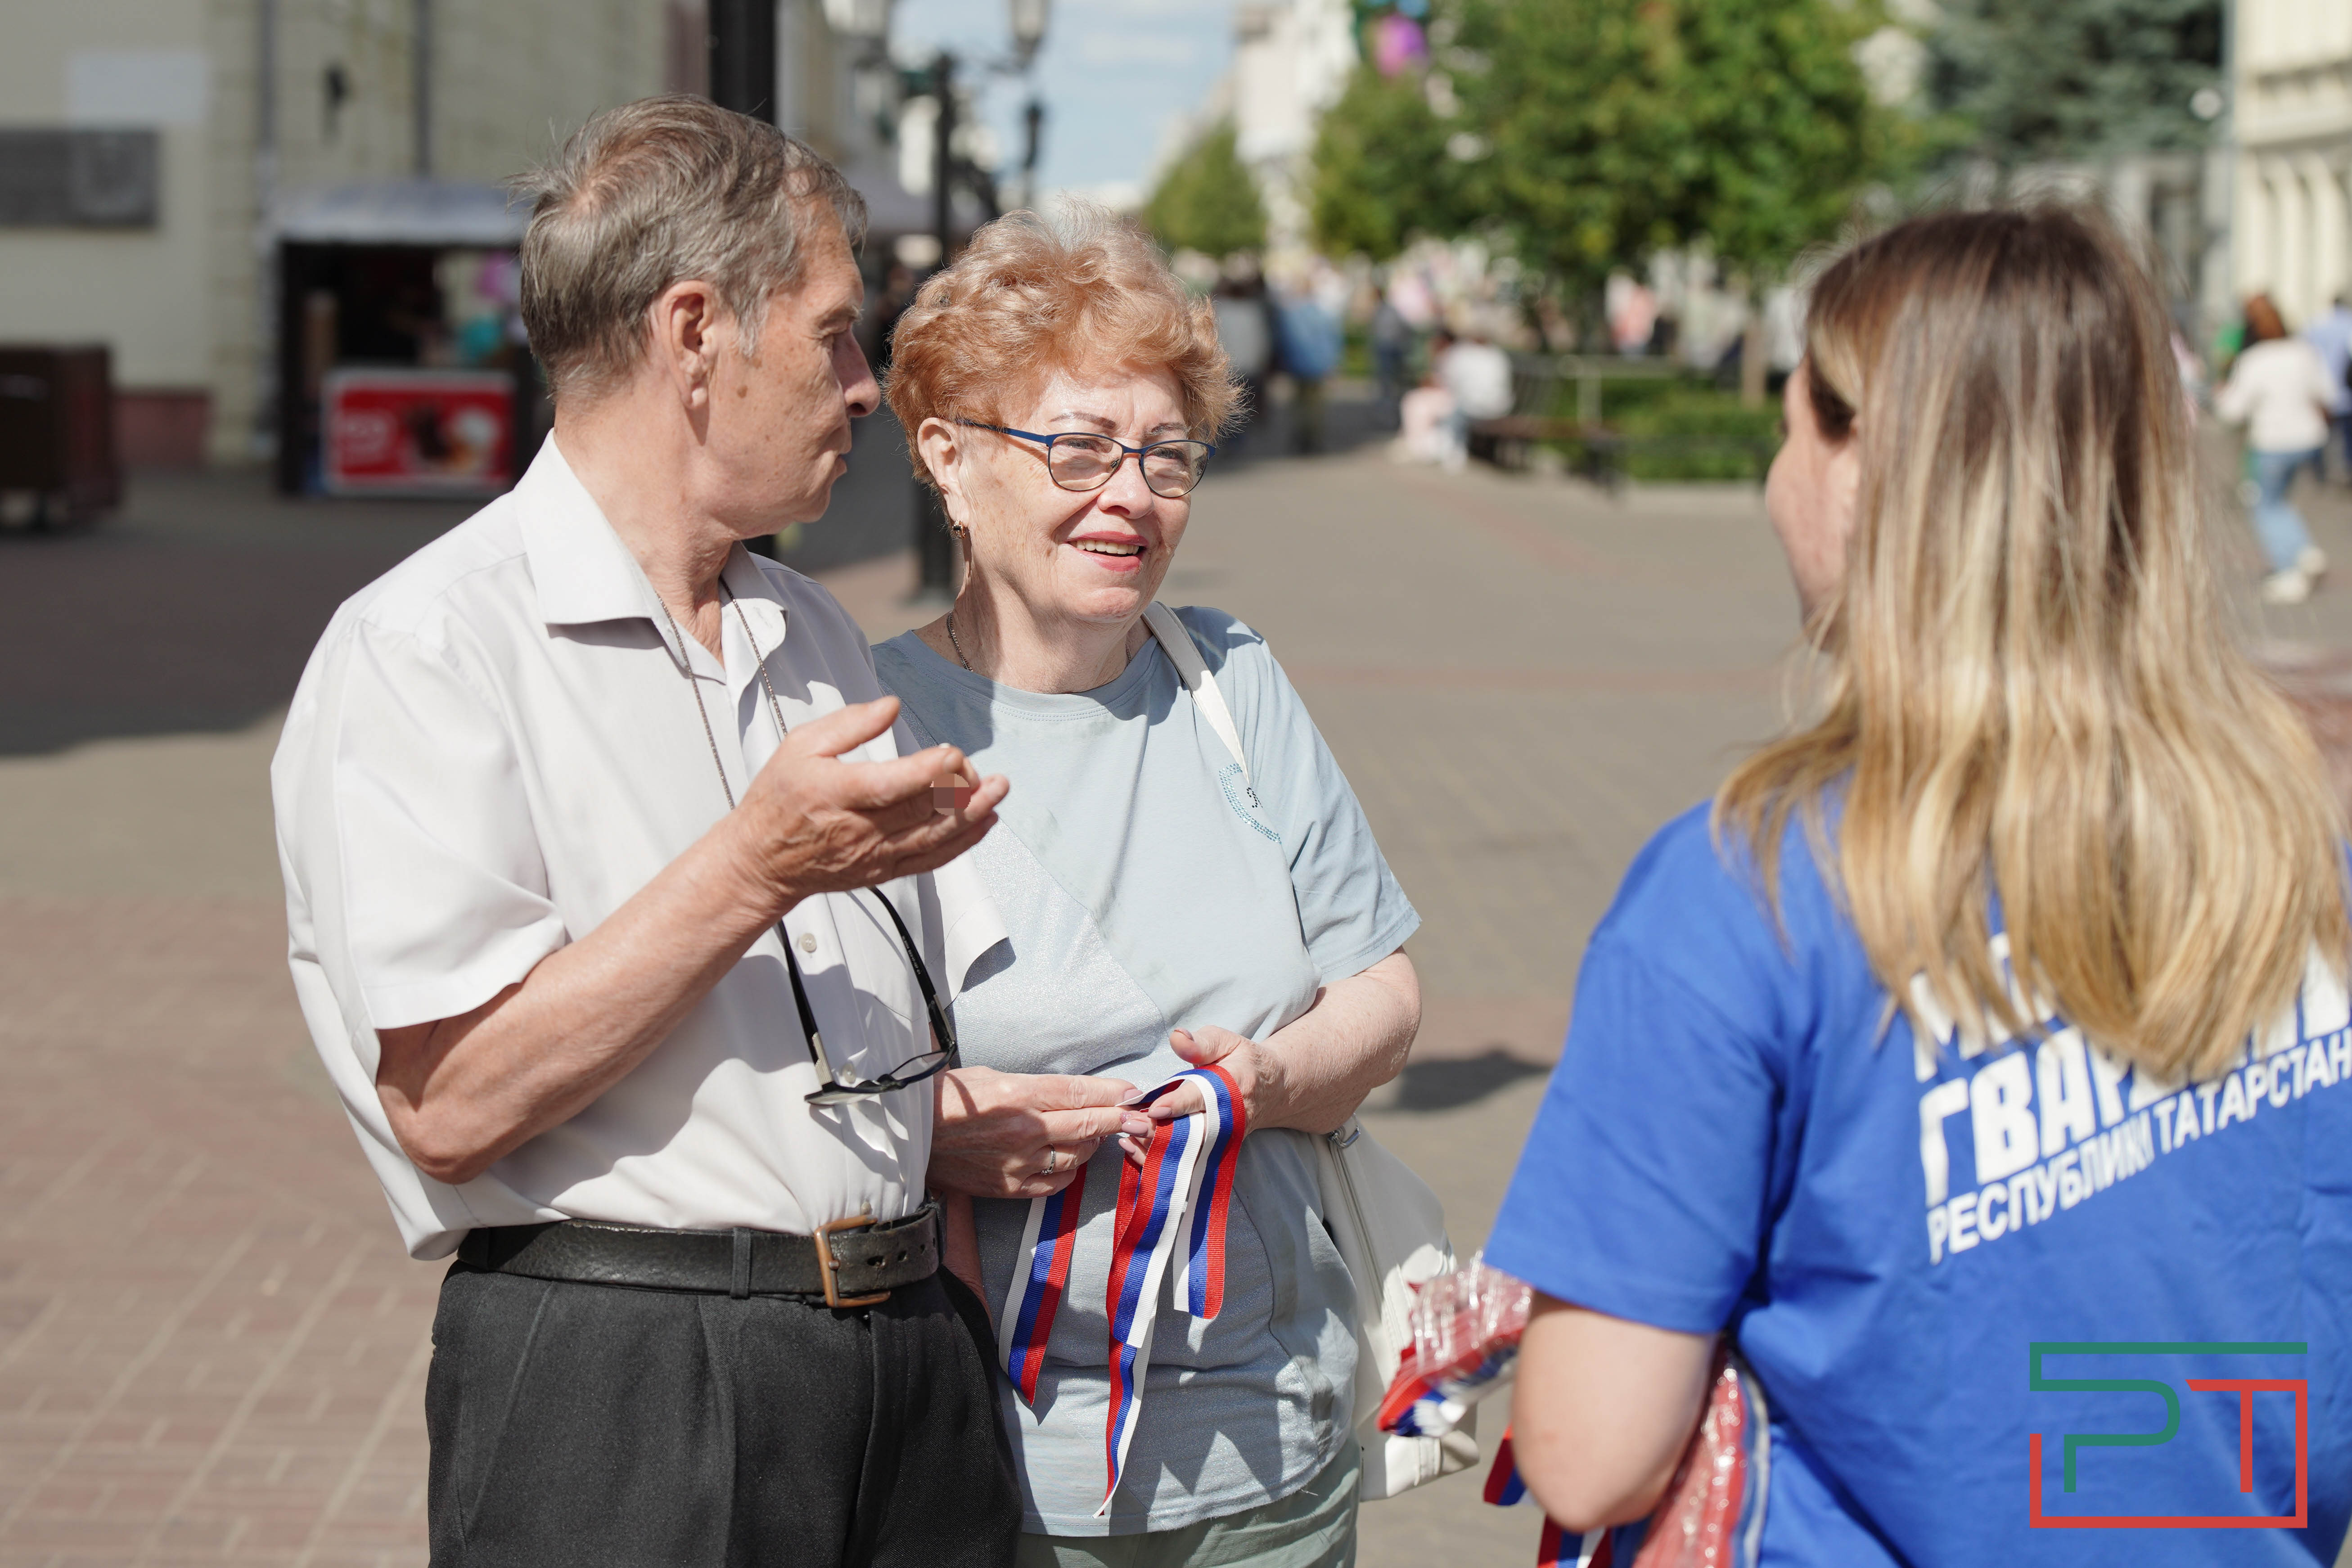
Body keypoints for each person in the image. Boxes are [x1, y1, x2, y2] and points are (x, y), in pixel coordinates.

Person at [1486, 207, 2352, 1564]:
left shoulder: (1742, 893)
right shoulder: (2299, 861)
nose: (1775, 478)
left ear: (1865, 469)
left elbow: (1588, 1451)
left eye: (1791, 428)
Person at [270, 97, 1034, 1567]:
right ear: (695, 335)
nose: (864, 389)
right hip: (628, 1380)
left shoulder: (809, 625)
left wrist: (954, 1126)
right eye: (834, 335)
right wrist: (755, 865)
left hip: (902, 1361)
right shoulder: (427, 647)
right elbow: (452, 1101)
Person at [871, 206, 1424, 1567]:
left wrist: (1271, 1079)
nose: (1129, 496)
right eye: (1076, 448)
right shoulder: (867, 727)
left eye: (1165, 455)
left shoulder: (1227, 679)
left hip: (1275, 1450)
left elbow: (1381, 989)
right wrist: (931, 1128)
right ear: (946, 455)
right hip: (999, 1475)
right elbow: (777, 1081)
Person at [2216, 293, 2336, 603]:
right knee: (2278, 500)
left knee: (2265, 505)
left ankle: (2290, 571)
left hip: (2272, 442)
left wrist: (2220, 395)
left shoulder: (2254, 361)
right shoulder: (2304, 353)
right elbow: (2327, 392)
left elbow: (2232, 411)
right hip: (2309, 439)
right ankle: (2305, 552)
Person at [2303, 293, 2352, 480]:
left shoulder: (2317, 324)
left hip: (2322, 388)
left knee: (2323, 434)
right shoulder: (2348, 324)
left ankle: (2322, 471)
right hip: (2346, 388)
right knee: (2347, 435)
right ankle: (2346, 469)